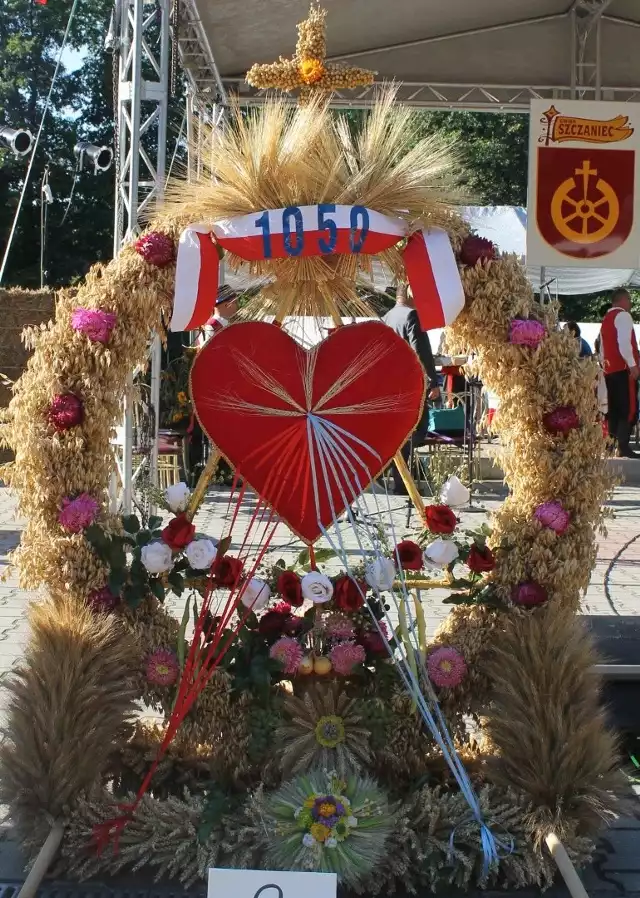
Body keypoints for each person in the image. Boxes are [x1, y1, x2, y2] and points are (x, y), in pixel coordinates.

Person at [383, 283, 440, 494]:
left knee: (399, 435)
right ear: (410, 293)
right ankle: (398, 478)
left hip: (391, 386)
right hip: (409, 386)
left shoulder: (387, 317)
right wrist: (433, 382)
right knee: (416, 431)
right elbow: (421, 351)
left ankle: (398, 479)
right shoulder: (412, 315)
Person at [599, 288, 639, 458]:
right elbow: (624, 343)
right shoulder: (623, 316)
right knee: (627, 409)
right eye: (629, 300)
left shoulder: (606, 319)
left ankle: (612, 445)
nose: (630, 304)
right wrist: (632, 366)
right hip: (622, 370)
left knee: (613, 409)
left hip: (609, 370)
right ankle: (623, 446)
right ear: (622, 300)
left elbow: (601, 349)